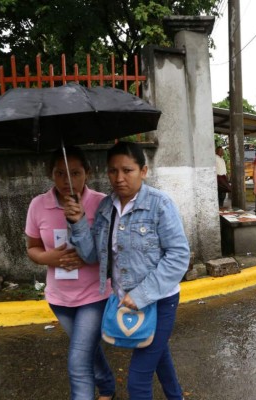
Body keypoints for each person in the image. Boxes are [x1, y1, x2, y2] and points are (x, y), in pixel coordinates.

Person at [64, 142, 190, 400]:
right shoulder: (105, 208)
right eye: (112, 171)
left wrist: (142, 294)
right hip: (124, 299)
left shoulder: (160, 204)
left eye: (127, 170)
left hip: (160, 301)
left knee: (138, 382)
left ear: (143, 171)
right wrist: (76, 223)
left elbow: (178, 256)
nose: (119, 178)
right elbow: (91, 256)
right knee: (159, 355)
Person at [25, 146, 115, 400]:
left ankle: (99, 389)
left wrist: (80, 222)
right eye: (60, 173)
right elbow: (32, 248)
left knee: (78, 361)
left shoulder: (100, 203)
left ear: (87, 172)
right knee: (87, 350)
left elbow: (108, 251)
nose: (68, 181)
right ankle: (107, 385)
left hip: (94, 296)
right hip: (59, 298)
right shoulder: (38, 205)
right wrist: (48, 258)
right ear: (51, 175)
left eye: (75, 173)